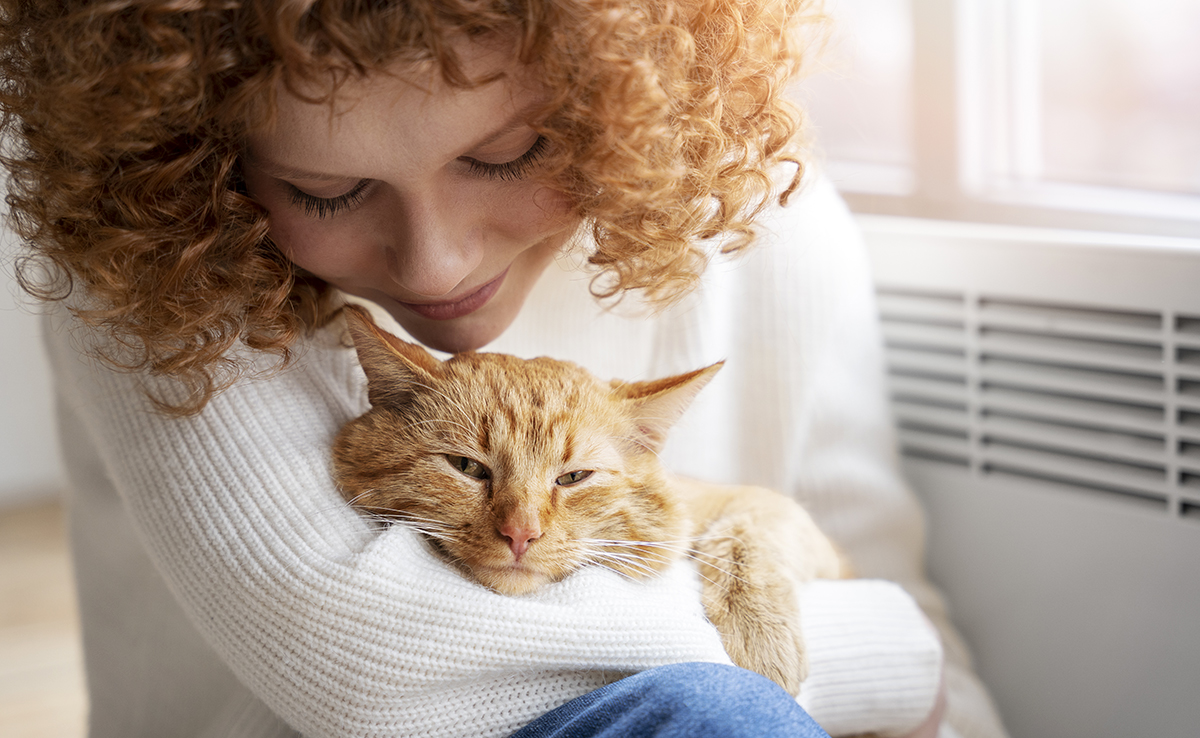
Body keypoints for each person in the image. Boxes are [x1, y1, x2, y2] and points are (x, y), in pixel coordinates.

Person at [1, 0, 1008, 736]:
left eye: (505, 155)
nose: (436, 265)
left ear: (627, 115)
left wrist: (909, 661)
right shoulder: (152, 248)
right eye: (327, 188)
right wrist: (880, 653)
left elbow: (894, 602)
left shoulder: (768, 223)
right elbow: (379, 671)